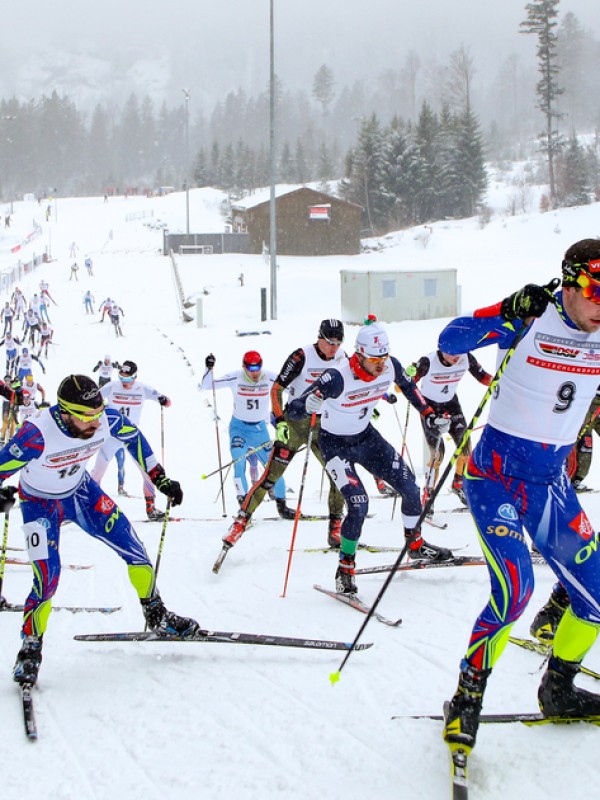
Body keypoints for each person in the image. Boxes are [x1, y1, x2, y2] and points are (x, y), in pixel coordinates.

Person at [440, 239, 600, 759]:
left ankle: (558, 689)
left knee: (596, 597)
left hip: (549, 483)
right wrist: (507, 309)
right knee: (515, 589)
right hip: (495, 477)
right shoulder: (533, 316)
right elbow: (452, 337)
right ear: (571, 283)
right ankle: (466, 698)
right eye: (597, 290)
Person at [4, 374, 195, 686]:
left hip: (81, 494)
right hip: (40, 504)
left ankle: (157, 615)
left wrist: (159, 477)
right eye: (86, 418)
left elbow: (134, 438)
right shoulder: (35, 434)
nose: (96, 424)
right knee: (47, 577)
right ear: (65, 413)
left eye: (98, 413)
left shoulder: (105, 419)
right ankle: (30, 646)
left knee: (134, 548)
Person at [287, 316, 453, 594]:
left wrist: (430, 415)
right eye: (375, 360)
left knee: (411, 488)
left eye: (384, 358)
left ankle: (414, 544)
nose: (381, 365)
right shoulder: (336, 377)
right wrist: (307, 403)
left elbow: (410, 388)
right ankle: (345, 568)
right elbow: (293, 409)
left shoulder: (389, 365)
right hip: (335, 445)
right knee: (359, 504)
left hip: (366, 437)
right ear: (359, 355)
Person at [220, 319, 348, 554]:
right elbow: (277, 388)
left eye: (338, 343)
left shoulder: (342, 358)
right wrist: (279, 421)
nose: (333, 348)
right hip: (296, 422)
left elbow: (348, 386)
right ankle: (240, 522)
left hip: (325, 425)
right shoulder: (301, 356)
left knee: (338, 476)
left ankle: (335, 527)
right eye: (330, 342)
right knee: (270, 476)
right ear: (319, 337)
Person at [200, 350, 292, 514]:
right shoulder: (235, 377)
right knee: (239, 463)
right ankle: (243, 504)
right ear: (244, 367)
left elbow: (291, 389)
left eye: (258, 367)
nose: (255, 372)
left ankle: (282, 505)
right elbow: (207, 386)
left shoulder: (269, 376)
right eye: (251, 368)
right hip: (239, 429)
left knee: (274, 466)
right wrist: (208, 368)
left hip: (260, 430)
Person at [410, 349, 492, 509]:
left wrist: (498, 382)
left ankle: (458, 483)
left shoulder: (466, 357)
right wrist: (409, 374)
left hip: (451, 405)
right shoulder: (428, 361)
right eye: (451, 353)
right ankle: (429, 495)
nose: (456, 358)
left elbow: (483, 377)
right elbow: (405, 385)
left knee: (466, 451)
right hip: (429, 408)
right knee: (437, 456)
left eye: (459, 354)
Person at [90, 360, 171, 517]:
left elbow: (167, 401)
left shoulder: (143, 388)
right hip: (112, 436)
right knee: (97, 472)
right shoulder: (112, 386)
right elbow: (93, 399)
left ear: (135, 376)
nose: (123, 382)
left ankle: (151, 508)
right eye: (121, 377)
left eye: (127, 379)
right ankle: (89, 507)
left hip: (132, 437)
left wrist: (163, 400)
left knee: (147, 472)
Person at [565, 389, 600, 493]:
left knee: (584, 445)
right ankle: (572, 479)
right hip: (587, 399)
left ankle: (576, 479)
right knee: (584, 444)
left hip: (595, 402)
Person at [0, 375, 23, 443]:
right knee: (5, 421)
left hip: (14, 404)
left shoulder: (14, 385)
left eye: (8, 380)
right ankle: (2, 438)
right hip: (6, 404)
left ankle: (11, 437)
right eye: (6, 380)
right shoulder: (3, 386)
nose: (7, 382)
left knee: (13, 422)